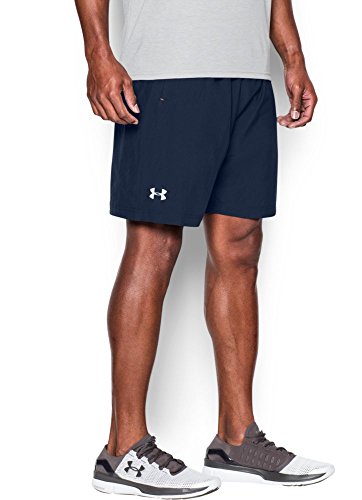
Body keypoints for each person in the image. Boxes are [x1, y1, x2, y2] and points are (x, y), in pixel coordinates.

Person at [75, 0, 334, 496]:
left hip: (249, 80)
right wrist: (98, 54)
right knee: (154, 244)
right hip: (167, 74)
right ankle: (122, 448)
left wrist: (294, 58)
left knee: (240, 246)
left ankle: (237, 438)